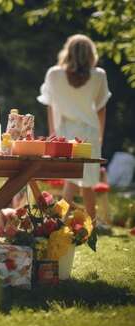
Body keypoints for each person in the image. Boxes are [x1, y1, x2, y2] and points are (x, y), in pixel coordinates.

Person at [38, 34, 111, 222]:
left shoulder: (54, 74)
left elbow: (50, 105)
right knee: (88, 184)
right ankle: (89, 225)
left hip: (65, 132)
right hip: (90, 133)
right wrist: (100, 136)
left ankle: (59, 221)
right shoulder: (99, 76)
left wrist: (53, 133)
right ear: (90, 54)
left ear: (68, 52)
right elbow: (101, 108)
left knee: (71, 180)